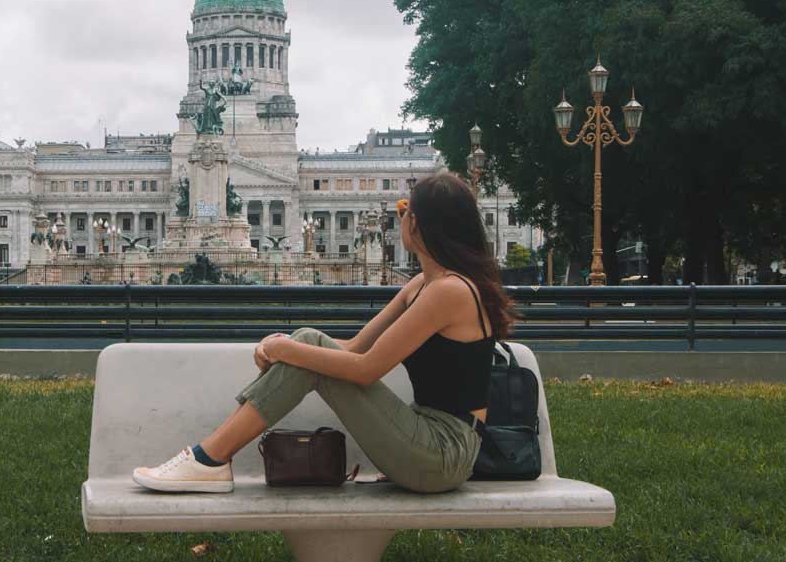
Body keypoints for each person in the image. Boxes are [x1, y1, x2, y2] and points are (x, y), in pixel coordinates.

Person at [132, 172, 515, 493]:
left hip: (444, 452)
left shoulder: (449, 291)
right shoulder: (422, 286)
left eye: (403, 210)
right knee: (309, 337)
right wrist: (292, 346)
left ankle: (209, 458)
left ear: (418, 223)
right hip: (426, 440)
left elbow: (366, 369)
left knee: (306, 344)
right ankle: (209, 459)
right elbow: (353, 347)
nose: (398, 219)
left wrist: (286, 350)